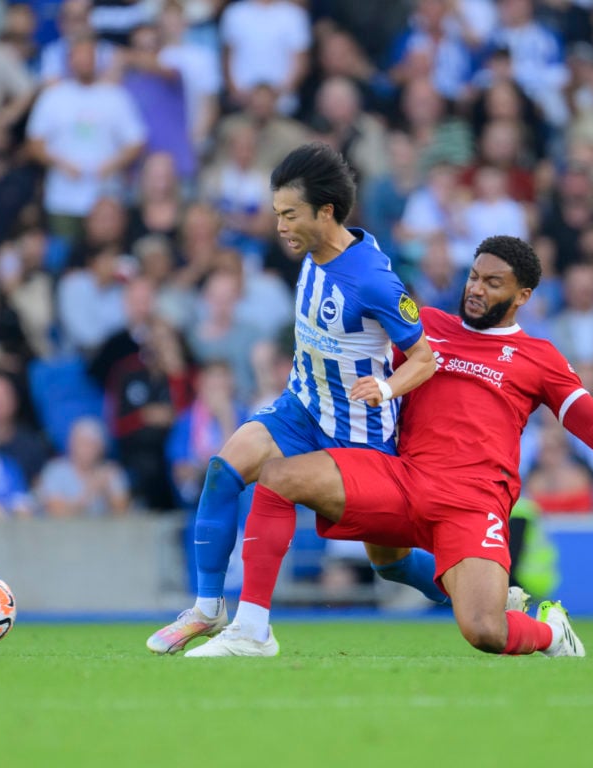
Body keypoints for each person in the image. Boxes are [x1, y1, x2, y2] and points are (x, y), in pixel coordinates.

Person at [182, 235, 593, 658]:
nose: (476, 288)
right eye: (474, 276)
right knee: (281, 478)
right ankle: (252, 629)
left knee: (484, 630)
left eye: (493, 282)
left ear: (523, 296)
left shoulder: (539, 357)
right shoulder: (427, 326)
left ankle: (549, 633)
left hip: (473, 501)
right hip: (403, 477)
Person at [146, 143, 436, 654]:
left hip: (359, 439)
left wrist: (387, 388)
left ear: (326, 212)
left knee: (391, 563)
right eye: (277, 213)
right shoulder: (311, 253)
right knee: (222, 471)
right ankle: (210, 611)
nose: (280, 225)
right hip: (301, 409)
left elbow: (425, 359)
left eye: (290, 214)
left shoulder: (372, 278)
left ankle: (494, 598)